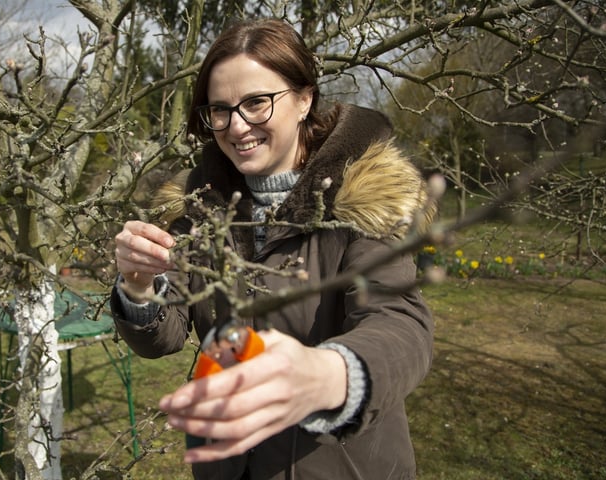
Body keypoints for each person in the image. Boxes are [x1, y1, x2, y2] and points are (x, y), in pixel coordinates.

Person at [110, 18, 435, 480]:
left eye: (257, 102)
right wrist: (139, 286)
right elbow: (165, 334)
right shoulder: (199, 205)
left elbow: (399, 320)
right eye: (220, 110)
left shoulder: (360, 197)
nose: (236, 126)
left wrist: (326, 374)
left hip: (337, 465)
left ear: (304, 99)